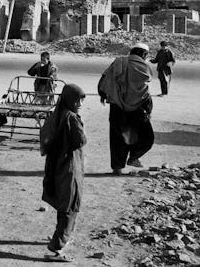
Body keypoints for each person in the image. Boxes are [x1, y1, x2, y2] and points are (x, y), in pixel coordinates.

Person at [41, 83, 87, 262]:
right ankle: (56, 248)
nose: (80, 104)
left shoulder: (57, 113)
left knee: (63, 202)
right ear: (70, 100)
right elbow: (80, 140)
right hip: (69, 165)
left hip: (56, 164)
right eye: (78, 100)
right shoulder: (71, 117)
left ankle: (60, 236)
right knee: (71, 204)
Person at [98, 43, 154, 174]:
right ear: (144, 54)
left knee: (117, 138)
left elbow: (104, 78)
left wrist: (103, 94)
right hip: (138, 107)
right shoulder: (144, 66)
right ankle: (134, 156)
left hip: (117, 105)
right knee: (146, 136)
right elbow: (145, 90)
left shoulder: (118, 62)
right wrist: (148, 108)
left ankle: (117, 168)